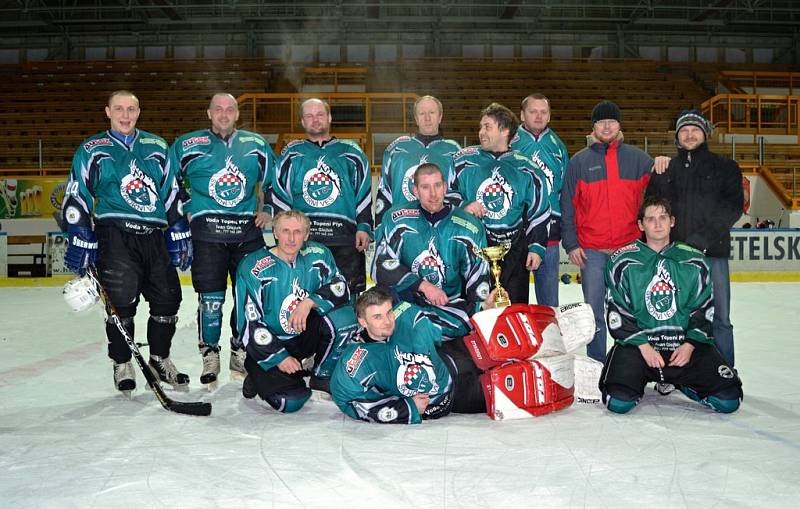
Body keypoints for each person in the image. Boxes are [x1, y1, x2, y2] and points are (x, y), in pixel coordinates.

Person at [62, 90, 192, 393]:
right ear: (107, 111)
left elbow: (172, 191)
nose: (125, 115)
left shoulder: (157, 146)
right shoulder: (92, 149)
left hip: (154, 237)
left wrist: (178, 228)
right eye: (118, 109)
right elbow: (77, 192)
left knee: (168, 299)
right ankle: (122, 363)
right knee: (121, 305)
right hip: (115, 235)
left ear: (138, 111)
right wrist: (81, 233)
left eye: (131, 109)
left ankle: (160, 359)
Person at [169, 92, 277, 387]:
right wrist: (188, 207)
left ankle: (240, 349)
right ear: (209, 113)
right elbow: (168, 180)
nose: (224, 113)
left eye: (230, 109)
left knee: (248, 298)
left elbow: (273, 180)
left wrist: (267, 207)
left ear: (237, 114)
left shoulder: (256, 145)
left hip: (246, 234)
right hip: (207, 236)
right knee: (211, 301)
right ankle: (210, 352)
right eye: (218, 109)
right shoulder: (187, 144)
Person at [600, 196, 743, 414]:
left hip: (683, 348)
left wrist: (689, 345)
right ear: (641, 224)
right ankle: (643, 380)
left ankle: (682, 381)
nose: (657, 224)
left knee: (729, 400)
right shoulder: (622, 262)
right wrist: (644, 347)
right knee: (617, 403)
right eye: (650, 219)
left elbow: (705, 308)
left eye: (663, 218)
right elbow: (617, 311)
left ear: (672, 221)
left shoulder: (694, 260)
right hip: (640, 349)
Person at [645, 110, 743, 367]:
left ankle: (725, 371)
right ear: (677, 137)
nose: (689, 134)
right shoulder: (666, 169)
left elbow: (732, 208)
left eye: (695, 129)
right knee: (677, 317)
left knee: (720, 317)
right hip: (675, 259)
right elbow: (652, 209)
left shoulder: (726, 167)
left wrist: (701, 240)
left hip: (713, 254)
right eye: (684, 131)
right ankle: (676, 373)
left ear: (704, 133)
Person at [235, 210, 358, 413]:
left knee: (346, 318)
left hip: (303, 336)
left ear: (307, 235)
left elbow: (340, 287)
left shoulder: (318, 255)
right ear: (274, 232)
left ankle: (321, 376)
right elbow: (248, 323)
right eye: (285, 231)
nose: (291, 239)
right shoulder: (253, 267)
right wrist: (279, 357)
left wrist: (309, 302)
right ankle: (258, 375)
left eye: (298, 232)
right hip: (270, 343)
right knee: (290, 401)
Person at [560, 100, 655, 362]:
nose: (606, 126)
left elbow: (663, 186)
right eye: (601, 121)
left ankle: (635, 362)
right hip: (592, 250)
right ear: (593, 126)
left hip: (629, 248)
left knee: (635, 308)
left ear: (619, 124)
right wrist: (571, 243)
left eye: (611, 121)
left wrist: (663, 162)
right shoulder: (579, 161)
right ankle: (597, 363)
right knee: (594, 311)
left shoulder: (637, 158)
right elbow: (567, 204)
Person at [372, 162, 492, 341]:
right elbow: (380, 266)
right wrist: (423, 286)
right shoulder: (396, 219)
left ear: (445, 187)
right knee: (383, 307)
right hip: (408, 302)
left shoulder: (470, 226)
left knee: (472, 314)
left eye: (437, 186)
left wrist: (484, 306)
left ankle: (426, 330)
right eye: (425, 187)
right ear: (415, 190)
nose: (433, 194)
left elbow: (478, 276)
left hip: (449, 305)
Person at [331, 286, 485, 424]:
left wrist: (480, 308)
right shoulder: (355, 360)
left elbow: (441, 320)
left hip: (451, 360)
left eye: (389, 312)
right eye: (377, 317)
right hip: (450, 399)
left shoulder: (407, 312)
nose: (387, 321)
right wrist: (408, 407)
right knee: (505, 394)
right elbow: (349, 402)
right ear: (363, 322)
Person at [451, 102, 550, 305]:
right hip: (472, 249)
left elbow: (539, 210)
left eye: (487, 127)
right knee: (475, 310)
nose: (481, 132)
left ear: (505, 130)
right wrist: (463, 205)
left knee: (514, 310)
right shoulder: (462, 161)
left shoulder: (527, 167)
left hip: (514, 252)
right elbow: (443, 195)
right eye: (481, 127)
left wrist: (537, 247)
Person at [271, 98, 372, 297]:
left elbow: (364, 193)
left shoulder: (351, 152)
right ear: (302, 121)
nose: (315, 120)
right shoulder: (291, 154)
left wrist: (364, 227)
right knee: (303, 298)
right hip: (305, 241)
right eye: (309, 116)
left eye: (320, 115)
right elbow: (280, 196)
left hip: (345, 240)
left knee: (350, 299)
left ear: (329, 117)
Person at [511, 93, 569, 307]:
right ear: (522, 114)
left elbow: (564, 191)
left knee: (549, 302)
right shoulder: (510, 142)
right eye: (533, 111)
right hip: (514, 232)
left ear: (549, 116)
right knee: (513, 299)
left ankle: (550, 339)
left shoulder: (558, 147)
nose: (538, 116)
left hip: (548, 233)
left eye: (543, 112)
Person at [375, 95, 461, 224]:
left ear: (440, 117)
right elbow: (384, 193)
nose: (427, 118)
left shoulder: (454, 150)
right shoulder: (396, 149)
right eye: (422, 113)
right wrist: (380, 228)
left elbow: (459, 195)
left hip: (442, 229)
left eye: (432, 113)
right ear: (416, 119)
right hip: (402, 227)